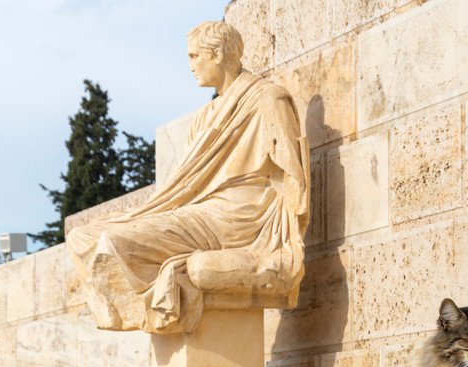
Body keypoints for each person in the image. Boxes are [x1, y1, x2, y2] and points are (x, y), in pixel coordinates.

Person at [67, 21, 309, 334]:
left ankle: (144, 307)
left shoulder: (267, 99)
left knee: (112, 241)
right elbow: (186, 182)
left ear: (219, 54)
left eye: (195, 56)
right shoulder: (206, 116)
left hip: (239, 218)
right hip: (201, 210)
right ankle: (142, 304)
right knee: (82, 237)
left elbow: (292, 176)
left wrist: (283, 239)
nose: (191, 65)